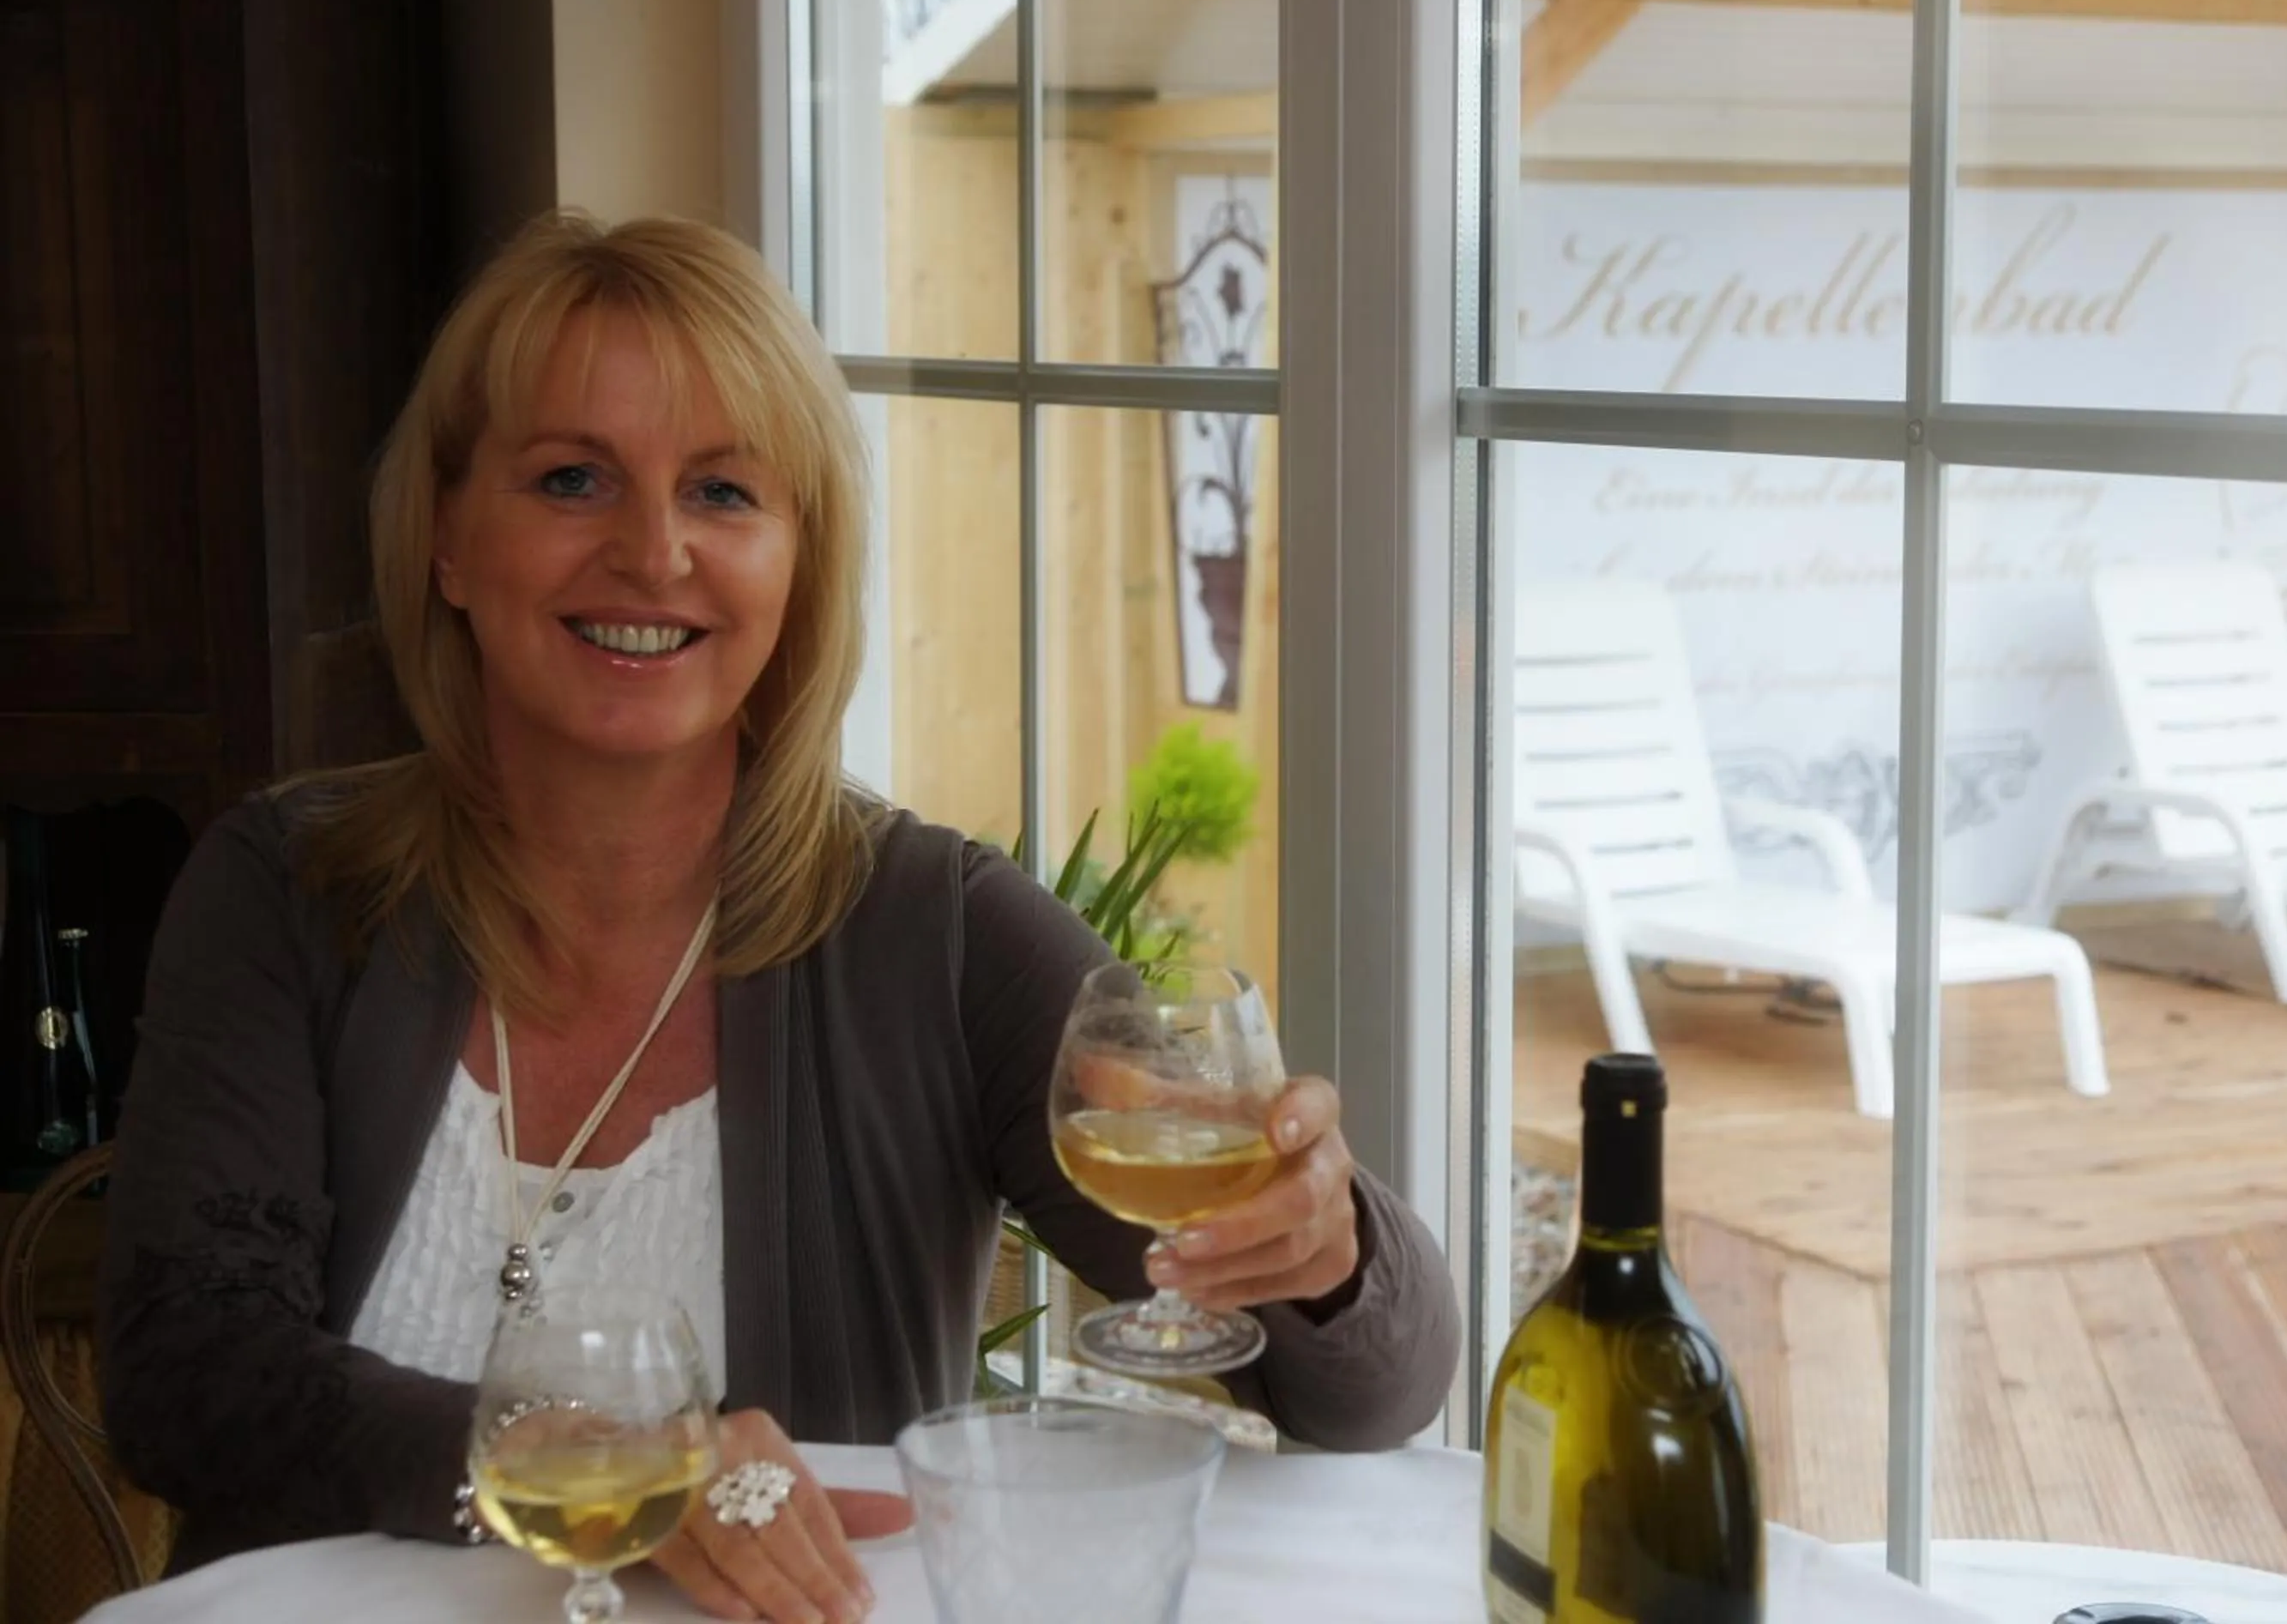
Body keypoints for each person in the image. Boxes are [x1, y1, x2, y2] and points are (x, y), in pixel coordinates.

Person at [100, 212, 1461, 1623]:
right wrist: (599, 1462)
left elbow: (1370, 1396)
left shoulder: (935, 932)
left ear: (798, 563)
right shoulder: (287, 887)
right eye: (573, 479)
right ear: (448, 538)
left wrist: (1321, 1246)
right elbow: (184, 1373)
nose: (653, 554)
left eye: (725, 495)